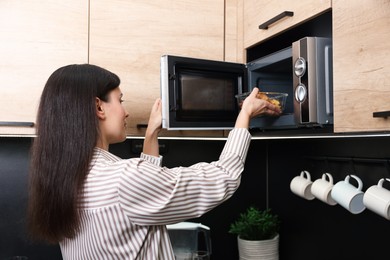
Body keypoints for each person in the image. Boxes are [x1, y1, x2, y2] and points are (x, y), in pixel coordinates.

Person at [27, 64, 281, 259]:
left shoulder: (63, 178)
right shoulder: (123, 179)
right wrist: (245, 113)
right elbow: (222, 178)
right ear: (99, 107)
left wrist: (151, 134)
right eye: (120, 100)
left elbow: (139, 202)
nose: (125, 111)